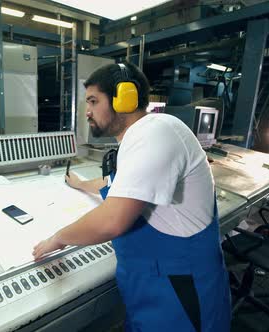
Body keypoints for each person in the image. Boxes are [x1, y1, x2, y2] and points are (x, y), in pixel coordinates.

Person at [32, 63, 231, 332]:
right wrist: (80, 183)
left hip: (181, 297)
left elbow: (112, 221)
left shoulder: (157, 131)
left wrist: (57, 238)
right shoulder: (139, 138)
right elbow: (113, 183)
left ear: (124, 98)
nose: (87, 111)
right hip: (152, 290)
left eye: (93, 101)